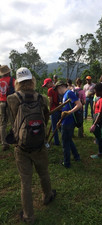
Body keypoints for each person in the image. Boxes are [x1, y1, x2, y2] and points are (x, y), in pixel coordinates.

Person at [7, 67, 56, 224]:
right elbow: (45, 118)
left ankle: (28, 216)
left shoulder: (12, 99)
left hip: (21, 146)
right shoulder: (42, 98)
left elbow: (13, 121)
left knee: (25, 181)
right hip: (39, 144)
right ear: (32, 81)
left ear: (17, 82)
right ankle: (47, 195)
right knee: (44, 172)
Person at [55, 80, 81, 168]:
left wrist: (69, 112)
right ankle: (77, 156)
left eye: (57, 89)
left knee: (65, 142)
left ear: (60, 87)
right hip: (65, 121)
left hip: (69, 122)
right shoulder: (65, 95)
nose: (57, 91)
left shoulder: (69, 93)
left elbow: (79, 104)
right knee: (69, 140)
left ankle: (66, 163)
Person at [0, 65, 15, 151]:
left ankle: (4, 143)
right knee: (13, 121)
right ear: (8, 72)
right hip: (10, 103)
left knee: (3, 123)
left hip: (1, 103)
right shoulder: (12, 80)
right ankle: (15, 139)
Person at [42, 78, 60, 145]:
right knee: (60, 125)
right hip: (60, 108)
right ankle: (65, 139)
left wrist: (49, 111)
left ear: (50, 83)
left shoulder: (50, 90)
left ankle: (56, 142)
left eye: (46, 85)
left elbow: (50, 101)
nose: (46, 86)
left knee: (54, 127)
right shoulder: (58, 88)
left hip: (54, 109)